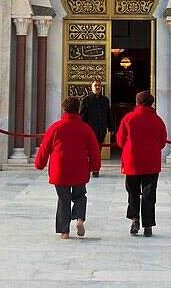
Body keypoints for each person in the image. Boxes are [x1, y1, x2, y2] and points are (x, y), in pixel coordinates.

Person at [34, 95, 102, 239]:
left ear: (63, 109)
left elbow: (44, 147)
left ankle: (64, 231)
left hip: (60, 169)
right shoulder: (85, 128)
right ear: (78, 109)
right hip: (79, 168)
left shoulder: (55, 127)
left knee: (63, 199)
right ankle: (79, 218)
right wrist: (95, 166)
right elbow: (94, 150)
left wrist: (39, 164)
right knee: (80, 195)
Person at [115, 90, 167, 237]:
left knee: (132, 191)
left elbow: (120, 140)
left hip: (132, 161)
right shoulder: (157, 120)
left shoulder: (129, 118)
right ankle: (148, 225)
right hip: (151, 162)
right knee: (149, 194)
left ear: (137, 102)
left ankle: (134, 219)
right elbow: (162, 141)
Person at [79, 79, 113, 177]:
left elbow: (108, 114)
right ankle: (87, 168)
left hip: (101, 130)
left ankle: (95, 170)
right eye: (95, 86)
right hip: (90, 131)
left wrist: (111, 128)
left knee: (97, 152)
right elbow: (82, 116)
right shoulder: (86, 100)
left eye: (99, 86)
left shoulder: (105, 100)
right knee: (88, 151)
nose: (97, 87)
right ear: (92, 87)